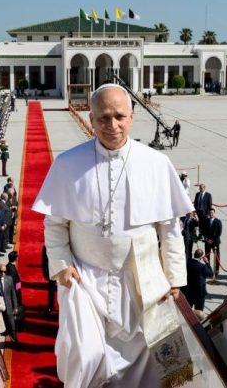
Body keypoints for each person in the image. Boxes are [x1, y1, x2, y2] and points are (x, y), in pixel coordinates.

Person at [32, 83, 192, 386]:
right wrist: (62, 266)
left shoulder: (156, 164)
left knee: (151, 359)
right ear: (91, 120)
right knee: (86, 356)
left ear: (131, 117)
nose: (112, 125)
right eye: (103, 117)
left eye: (119, 116)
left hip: (141, 280)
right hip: (86, 281)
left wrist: (174, 278)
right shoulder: (68, 164)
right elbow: (54, 225)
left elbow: (170, 229)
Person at [0, 264, 20, 344]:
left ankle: (15, 340)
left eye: (5, 272)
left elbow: (13, 293)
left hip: (8, 306)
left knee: (12, 324)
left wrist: (15, 307)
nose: (3, 273)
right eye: (1, 271)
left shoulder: (9, 279)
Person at [181, 248, 212, 314]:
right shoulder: (202, 266)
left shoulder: (187, 263)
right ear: (201, 257)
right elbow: (210, 273)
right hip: (199, 292)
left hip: (189, 291)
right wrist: (207, 263)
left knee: (187, 310)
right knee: (199, 311)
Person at [200, 208, 222, 277]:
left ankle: (216, 270)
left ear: (214, 213)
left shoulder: (218, 221)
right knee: (207, 255)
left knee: (217, 256)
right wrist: (206, 239)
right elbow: (203, 231)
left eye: (212, 213)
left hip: (215, 242)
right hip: (207, 241)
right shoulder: (206, 221)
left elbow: (219, 233)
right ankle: (208, 269)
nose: (211, 214)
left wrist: (212, 240)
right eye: (210, 213)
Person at [41, 244, 57, 315]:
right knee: (51, 290)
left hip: (61, 269)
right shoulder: (46, 247)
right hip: (51, 271)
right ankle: (51, 306)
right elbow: (44, 261)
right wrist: (45, 272)